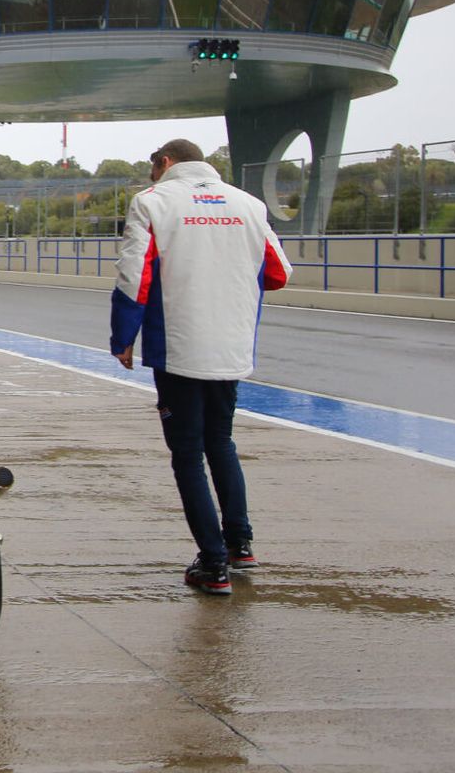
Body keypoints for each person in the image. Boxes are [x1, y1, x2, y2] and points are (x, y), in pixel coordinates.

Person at [109, 139, 293, 596]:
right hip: (230, 348)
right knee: (221, 441)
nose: (152, 176)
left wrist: (122, 339)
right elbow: (279, 272)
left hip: (180, 347)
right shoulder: (248, 204)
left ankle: (212, 564)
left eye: (154, 168)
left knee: (187, 454)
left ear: (166, 163)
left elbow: (135, 276)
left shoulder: (152, 202)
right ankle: (239, 543)